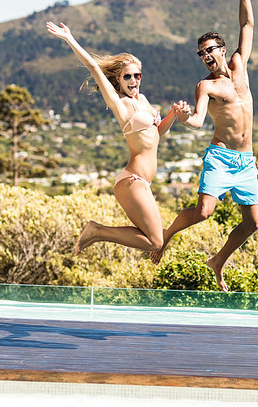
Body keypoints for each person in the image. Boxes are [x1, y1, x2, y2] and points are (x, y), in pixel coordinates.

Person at [150, 0, 258, 291]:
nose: (206, 57)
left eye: (210, 50)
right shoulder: (206, 86)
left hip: (246, 161)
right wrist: (184, 119)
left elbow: (248, 23)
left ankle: (217, 261)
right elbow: (198, 120)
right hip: (221, 156)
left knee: (253, 224)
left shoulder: (240, 65)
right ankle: (166, 233)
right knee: (203, 212)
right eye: (201, 54)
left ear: (222, 49)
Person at [46, 21, 186, 254]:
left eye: (137, 75)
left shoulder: (142, 100)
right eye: (128, 77)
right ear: (118, 80)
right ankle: (97, 231)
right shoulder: (120, 104)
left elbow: (156, 134)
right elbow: (93, 67)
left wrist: (173, 113)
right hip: (132, 181)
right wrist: (69, 38)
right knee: (156, 242)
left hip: (144, 183)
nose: (134, 81)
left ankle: (97, 231)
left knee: (155, 240)